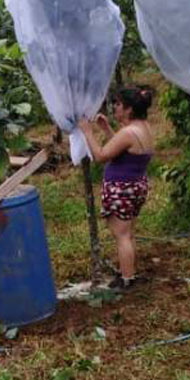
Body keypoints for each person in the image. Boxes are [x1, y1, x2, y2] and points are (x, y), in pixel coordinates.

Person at [78, 86, 155, 289]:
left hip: (122, 189)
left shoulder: (129, 132)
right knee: (127, 233)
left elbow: (101, 156)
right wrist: (106, 130)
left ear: (129, 109)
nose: (115, 108)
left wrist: (88, 132)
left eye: (118, 104)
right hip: (135, 186)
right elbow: (122, 149)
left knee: (122, 236)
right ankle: (128, 272)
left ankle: (127, 279)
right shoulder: (142, 127)